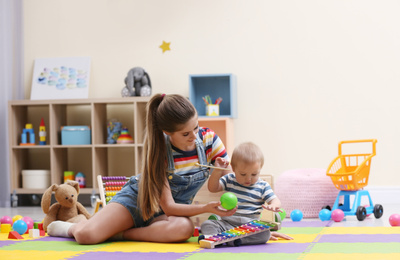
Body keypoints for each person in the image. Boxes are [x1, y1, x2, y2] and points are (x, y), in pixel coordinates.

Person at [47, 93, 237, 244]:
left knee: (184, 230)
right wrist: (203, 208)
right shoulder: (160, 149)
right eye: (186, 133)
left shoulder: (209, 140)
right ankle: (71, 227)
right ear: (167, 132)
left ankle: (122, 234)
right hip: (137, 202)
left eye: (196, 127)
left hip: (165, 215)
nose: (194, 137)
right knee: (86, 236)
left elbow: (227, 181)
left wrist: (222, 173)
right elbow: (169, 206)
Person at [201, 142, 293, 246]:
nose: (248, 179)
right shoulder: (230, 179)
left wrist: (273, 206)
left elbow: (275, 200)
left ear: (260, 169)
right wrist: (217, 171)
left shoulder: (262, 186)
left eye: (254, 174)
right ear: (234, 168)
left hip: (250, 227)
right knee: (207, 224)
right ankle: (212, 239)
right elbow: (213, 188)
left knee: (265, 234)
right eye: (243, 174)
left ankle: (234, 240)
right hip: (227, 224)